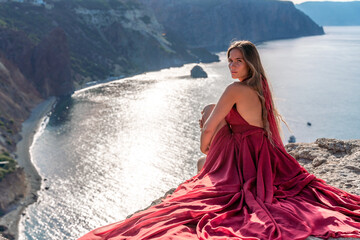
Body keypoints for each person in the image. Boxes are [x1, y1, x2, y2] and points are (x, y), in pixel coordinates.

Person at [79, 40, 360, 239]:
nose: (232, 65)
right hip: (261, 157)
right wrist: (217, 118)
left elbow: (207, 138)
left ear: (250, 63)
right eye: (230, 60)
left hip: (245, 164)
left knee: (202, 161)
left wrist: (210, 126)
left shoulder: (235, 89)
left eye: (238, 61)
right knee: (209, 123)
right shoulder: (259, 86)